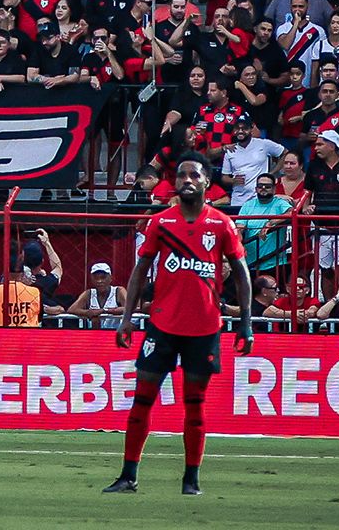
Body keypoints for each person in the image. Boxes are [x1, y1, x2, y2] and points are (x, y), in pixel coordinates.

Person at [106, 157, 253, 496]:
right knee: (142, 400)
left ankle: (191, 480)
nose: (187, 179)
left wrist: (245, 324)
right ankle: (128, 476)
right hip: (162, 326)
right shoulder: (160, 222)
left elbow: (242, 273)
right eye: (182, 174)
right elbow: (140, 271)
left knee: (195, 404)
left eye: (194, 174)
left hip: (204, 327)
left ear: (207, 183)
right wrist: (127, 318)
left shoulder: (221, 224)